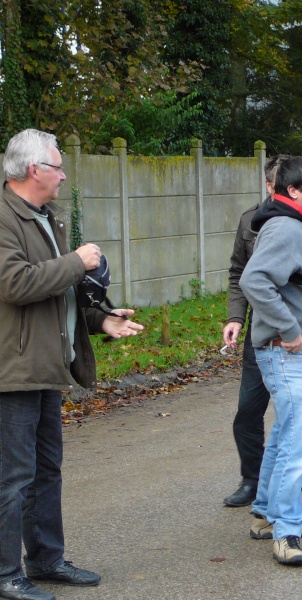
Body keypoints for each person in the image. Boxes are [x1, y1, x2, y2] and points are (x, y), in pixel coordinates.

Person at [0, 129, 143, 600]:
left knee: (46, 470)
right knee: (13, 477)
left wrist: (102, 319)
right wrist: (79, 262)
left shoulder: (45, 217)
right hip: (12, 368)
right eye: (58, 166)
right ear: (33, 170)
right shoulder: (3, 218)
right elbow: (16, 284)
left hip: (46, 363)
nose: (64, 175)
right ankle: (6, 576)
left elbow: (56, 294)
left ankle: (44, 560)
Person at [221, 155, 302, 509]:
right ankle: (262, 492)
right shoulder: (260, 222)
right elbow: (245, 276)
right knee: (256, 415)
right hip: (273, 336)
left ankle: (274, 504)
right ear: (280, 188)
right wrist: (237, 318)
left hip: (297, 339)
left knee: (289, 429)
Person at [239, 156, 302, 566]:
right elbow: (252, 280)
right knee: (299, 442)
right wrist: (290, 331)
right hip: (288, 354)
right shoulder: (283, 228)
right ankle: (286, 530)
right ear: (292, 191)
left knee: (283, 437)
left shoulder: (298, 226)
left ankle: (265, 513)